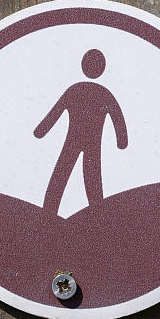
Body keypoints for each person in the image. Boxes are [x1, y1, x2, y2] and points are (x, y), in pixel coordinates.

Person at [34, 49, 128, 213]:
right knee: (92, 180)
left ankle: (49, 212)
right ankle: (95, 215)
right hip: (90, 143)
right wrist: (121, 141)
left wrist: (40, 131)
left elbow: (54, 113)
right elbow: (117, 119)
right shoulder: (103, 93)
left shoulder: (75, 90)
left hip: (74, 142)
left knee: (62, 175)